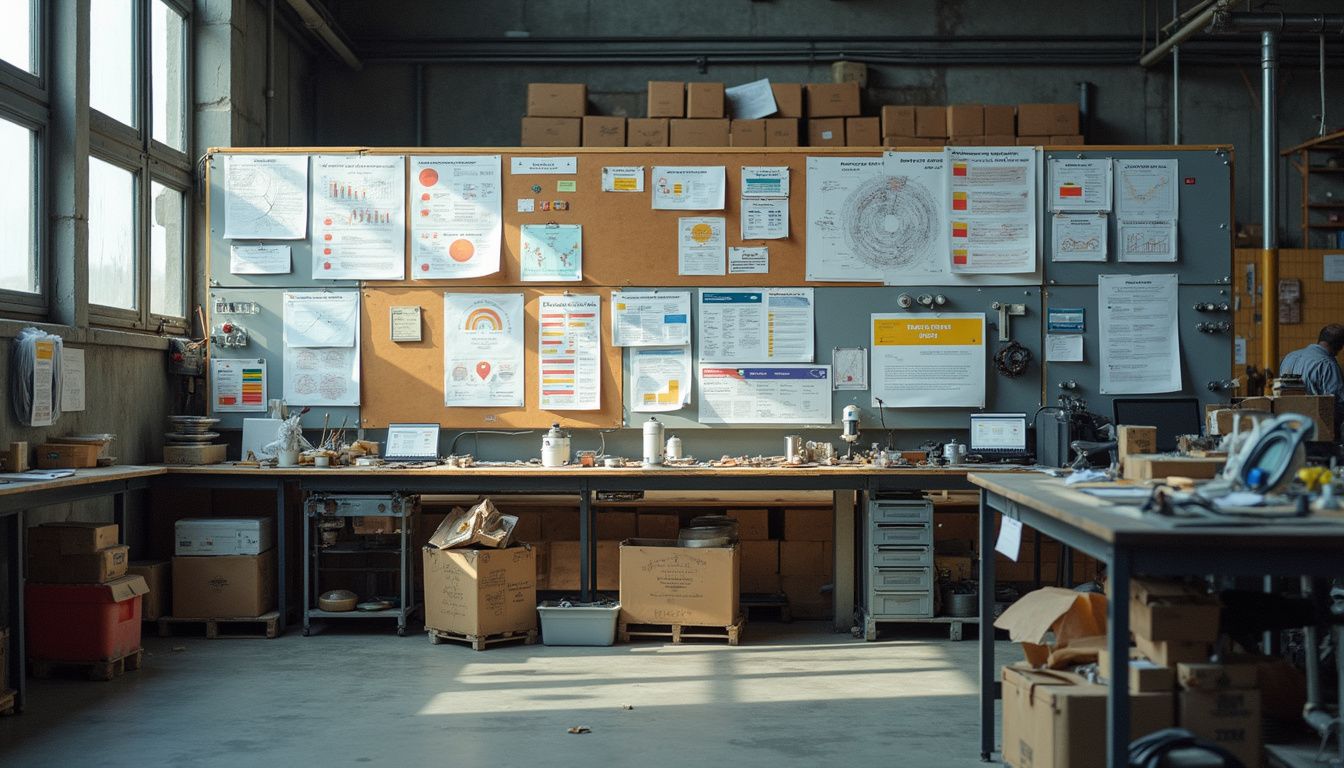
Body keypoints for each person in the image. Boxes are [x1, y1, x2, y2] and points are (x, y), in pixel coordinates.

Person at [1280, 324, 1344, 413]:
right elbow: (1337, 403)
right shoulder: (1328, 365)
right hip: (1315, 422)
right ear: (1339, 347)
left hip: (1288, 419)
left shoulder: (1289, 357)